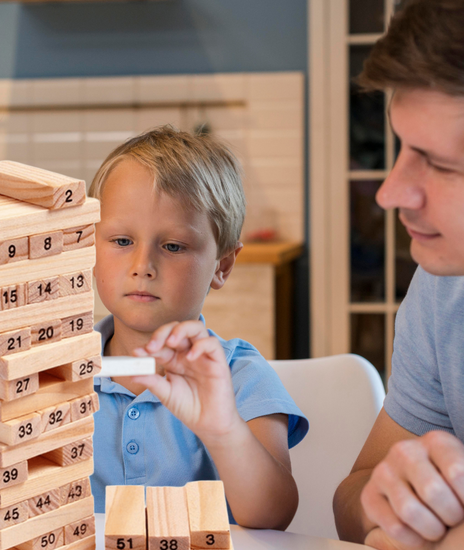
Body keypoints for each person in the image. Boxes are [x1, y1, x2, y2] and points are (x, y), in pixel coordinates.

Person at [89, 125, 308, 528]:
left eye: (173, 246)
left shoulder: (240, 376)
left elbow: (273, 515)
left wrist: (222, 427)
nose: (142, 266)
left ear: (222, 266)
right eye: (121, 241)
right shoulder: (57, 374)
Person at [333, 0, 464, 550]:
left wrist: (425, 538)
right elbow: (353, 499)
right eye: (401, 149)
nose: (388, 193)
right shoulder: (442, 293)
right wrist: (391, 500)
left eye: (437, 163)